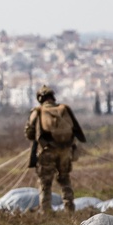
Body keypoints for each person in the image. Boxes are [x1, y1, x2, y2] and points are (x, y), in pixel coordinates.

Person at [25, 85, 86, 213]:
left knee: (45, 182)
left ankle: (46, 211)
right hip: (65, 151)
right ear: (53, 97)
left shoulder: (38, 111)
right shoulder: (64, 109)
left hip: (47, 151)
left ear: (40, 98)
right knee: (64, 179)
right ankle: (70, 209)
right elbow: (75, 130)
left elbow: (30, 133)